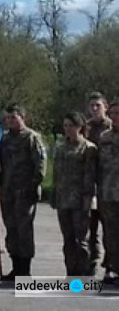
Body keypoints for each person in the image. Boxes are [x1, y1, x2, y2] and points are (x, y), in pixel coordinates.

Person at [0, 105, 47, 280]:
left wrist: (34, 185)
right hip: (8, 191)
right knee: (11, 228)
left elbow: (40, 164)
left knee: (24, 229)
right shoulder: (4, 139)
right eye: (8, 118)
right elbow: (0, 163)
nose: (11, 121)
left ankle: (25, 268)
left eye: (14, 117)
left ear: (22, 118)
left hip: (25, 191)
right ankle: (15, 266)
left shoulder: (31, 137)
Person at [51, 112, 97, 276]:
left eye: (71, 126)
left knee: (81, 240)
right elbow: (56, 174)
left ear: (80, 127)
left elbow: (90, 176)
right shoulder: (60, 148)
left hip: (80, 200)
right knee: (68, 239)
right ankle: (71, 272)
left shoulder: (88, 148)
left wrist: (88, 200)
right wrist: (54, 195)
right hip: (64, 200)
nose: (68, 129)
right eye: (65, 126)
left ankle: (84, 272)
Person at [86, 92, 111, 276]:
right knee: (89, 230)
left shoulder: (112, 127)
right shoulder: (85, 128)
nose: (95, 109)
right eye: (92, 106)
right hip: (88, 186)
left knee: (110, 230)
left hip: (109, 186)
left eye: (98, 105)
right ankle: (91, 264)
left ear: (105, 107)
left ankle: (111, 267)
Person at [97, 102, 119, 285]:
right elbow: (98, 167)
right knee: (110, 234)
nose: (115, 117)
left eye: (118, 113)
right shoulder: (104, 137)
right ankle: (113, 268)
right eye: (112, 113)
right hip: (108, 193)